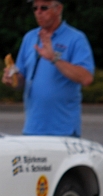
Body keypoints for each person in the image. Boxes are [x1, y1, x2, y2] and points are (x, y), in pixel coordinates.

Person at [2, 0, 94, 137]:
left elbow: (86, 78)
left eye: (44, 7)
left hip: (63, 130)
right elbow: (22, 79)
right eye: (35, 8)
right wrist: (12, 79)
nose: (38, 12)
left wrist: (54, 58)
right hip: (32, 128)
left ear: (58, 9)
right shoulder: (30, 37)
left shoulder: (76, 38)